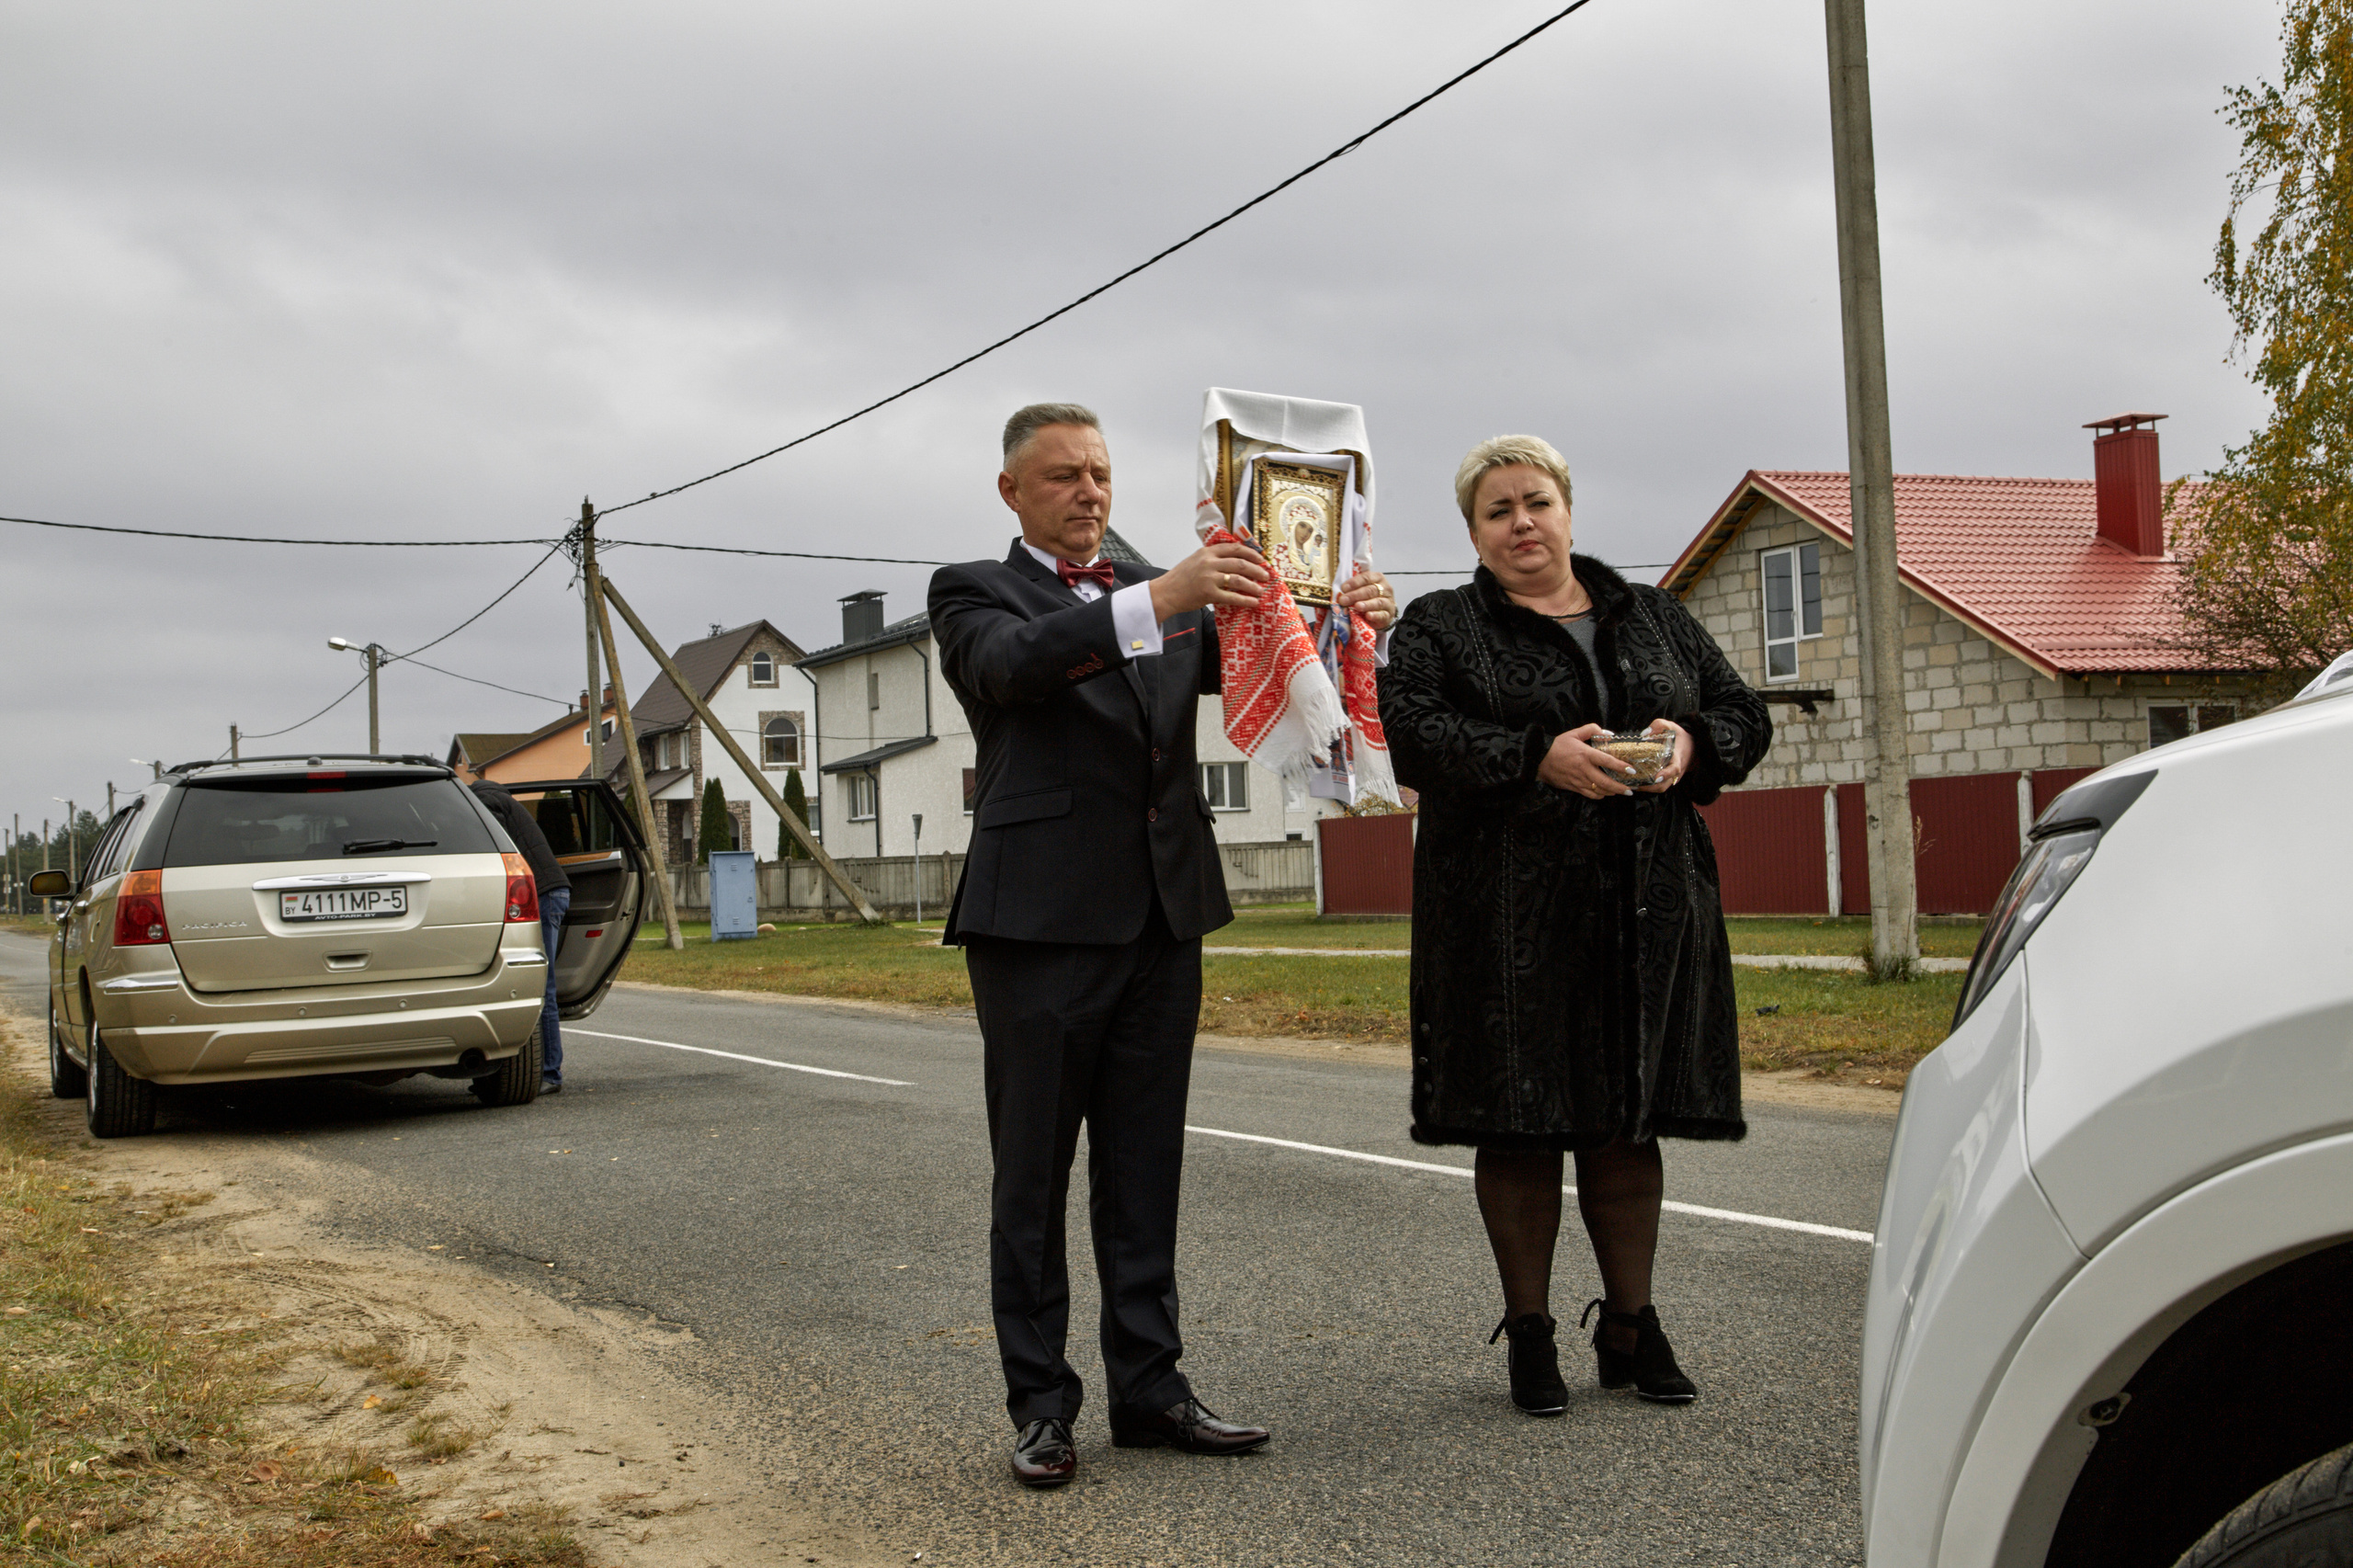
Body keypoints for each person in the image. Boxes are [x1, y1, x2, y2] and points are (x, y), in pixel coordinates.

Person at [929, 402, 1396, 1488]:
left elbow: (1274, 669)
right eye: (1061, 477)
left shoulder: (1175, 587)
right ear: (1012, 492)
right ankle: (1042, 1407)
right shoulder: (973, 591)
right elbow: (1015, 666)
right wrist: (1159, 597)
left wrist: (1347, 612)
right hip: (1035, 923)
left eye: (1098, 472)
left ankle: (1151, 1389)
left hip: (1163, 913)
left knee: (1144, 1169)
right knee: (1033, 1176)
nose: (1088, 491)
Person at [1377, 434, 1770, 1415]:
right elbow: (1412, 733)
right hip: (1504, 914)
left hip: (1648, 904)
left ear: (1566, 508)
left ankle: (1632, 1325)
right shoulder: (1441, 625)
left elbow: (1741, 713)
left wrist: (1691, 740)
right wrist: (1531, 756)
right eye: (1498, 509)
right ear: (1473, 531)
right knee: (1519, 1117)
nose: (1522, 522)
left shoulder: (1654, 616)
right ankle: (1530, 1331)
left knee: (1623, 1114)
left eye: (1536, 501)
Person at [470, 780, 573, 1095]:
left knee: (541, 988)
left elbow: (497, 852)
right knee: (537, 986)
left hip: (541, 895)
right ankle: (521, 1072)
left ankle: (549, 1072)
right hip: (552, 891)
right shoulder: (500, 800)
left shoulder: (485, 803)